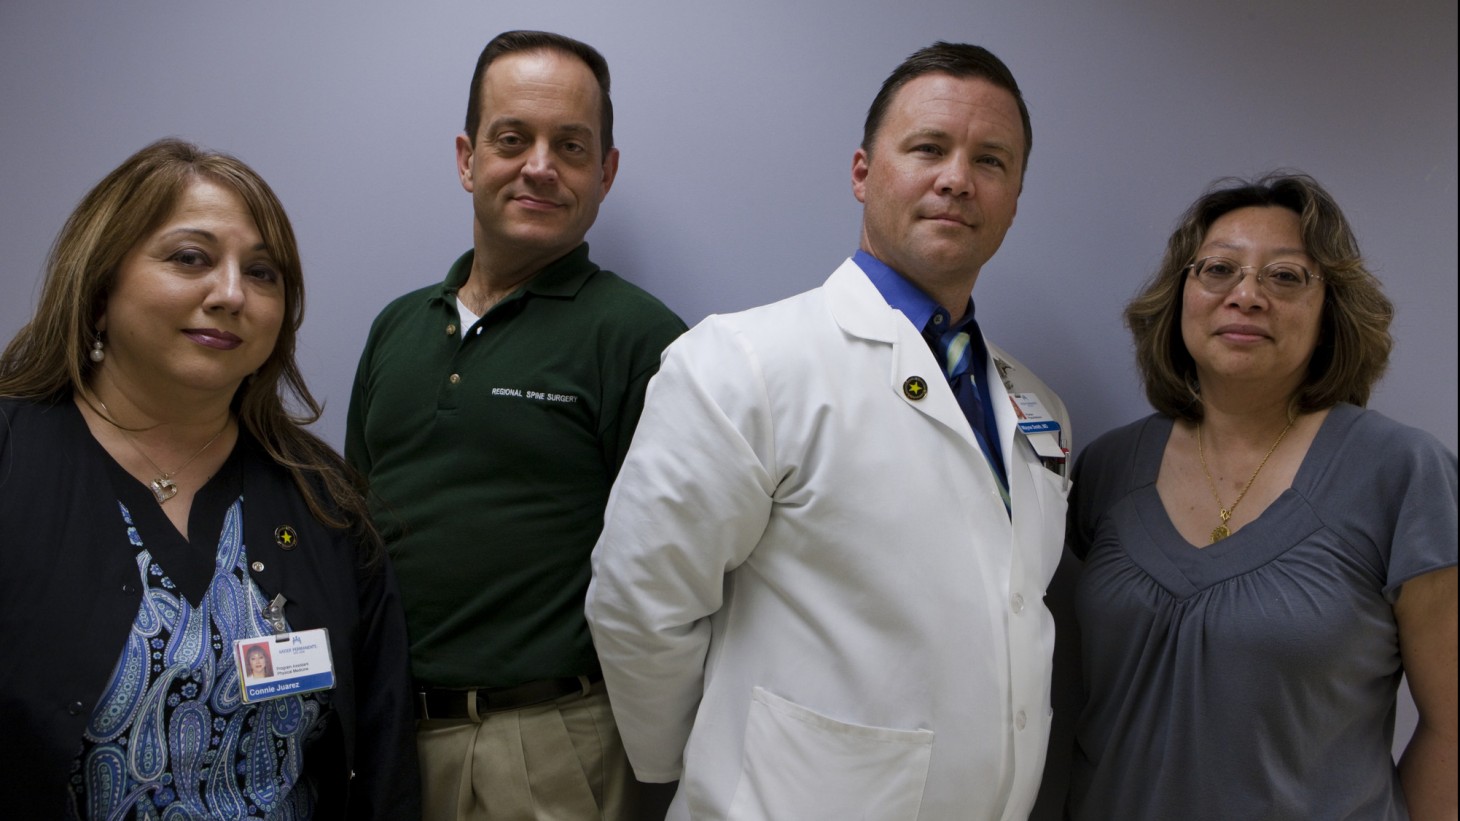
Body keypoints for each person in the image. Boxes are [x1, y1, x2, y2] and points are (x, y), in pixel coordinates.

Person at [586, 42, 1071, 820]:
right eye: (928, 148)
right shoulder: (745, 363)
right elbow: (637, 602)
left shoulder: (1034, 405)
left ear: (1014, 197)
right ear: (862, 172)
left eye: (991, 160)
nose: (957, 178)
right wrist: (702, 762)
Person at [0, 138, 420, 818]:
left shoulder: (322, 500)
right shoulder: (14, 460)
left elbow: (382, 752)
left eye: (262, 273)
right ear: (100, 289)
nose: (230, 294)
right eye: (190, 258)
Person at [345, 30, 686, 821]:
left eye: (570, 145)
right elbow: (356, 534)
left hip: (548, 743)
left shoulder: (642, 338)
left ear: (604, 173)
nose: (539, 165)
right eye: (512, 138)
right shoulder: (396, 328)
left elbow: (681, 567)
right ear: (468, 158)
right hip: (389, 734)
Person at [1063, 173, 1458, 819]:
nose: (1246, 295)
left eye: (1286, 276)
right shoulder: (1107, 469)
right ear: (1180, 294)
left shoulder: (1402, 474)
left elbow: (1453, 728)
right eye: (1219, 269)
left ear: (1330, 309)